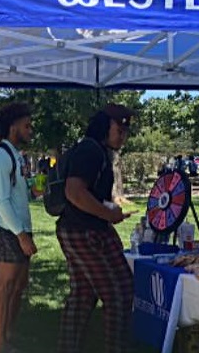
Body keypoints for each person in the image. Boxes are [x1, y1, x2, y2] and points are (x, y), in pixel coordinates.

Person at [57, 103, 135, 353]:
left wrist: (109, 209)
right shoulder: (91, 151)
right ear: (104, 126)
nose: (122, 134)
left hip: (78, 228)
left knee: (82, 296)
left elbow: (86, 193)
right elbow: (74, 191)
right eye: (118, 128)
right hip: (86, 231)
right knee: (120, 291)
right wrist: (109, 215)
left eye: (126, 130)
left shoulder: (93, 149)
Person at [0, 103, 36, 353]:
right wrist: (20, 235)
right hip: (8, 230)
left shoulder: (15, 154)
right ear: (13, 127)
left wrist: (31, 190)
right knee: (6, 287)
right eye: (27, 126)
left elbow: (16, 192)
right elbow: (2, 200)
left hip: (20, 229)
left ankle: (8, 335)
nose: (31, 130)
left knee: (19, 286)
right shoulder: (0, 155)